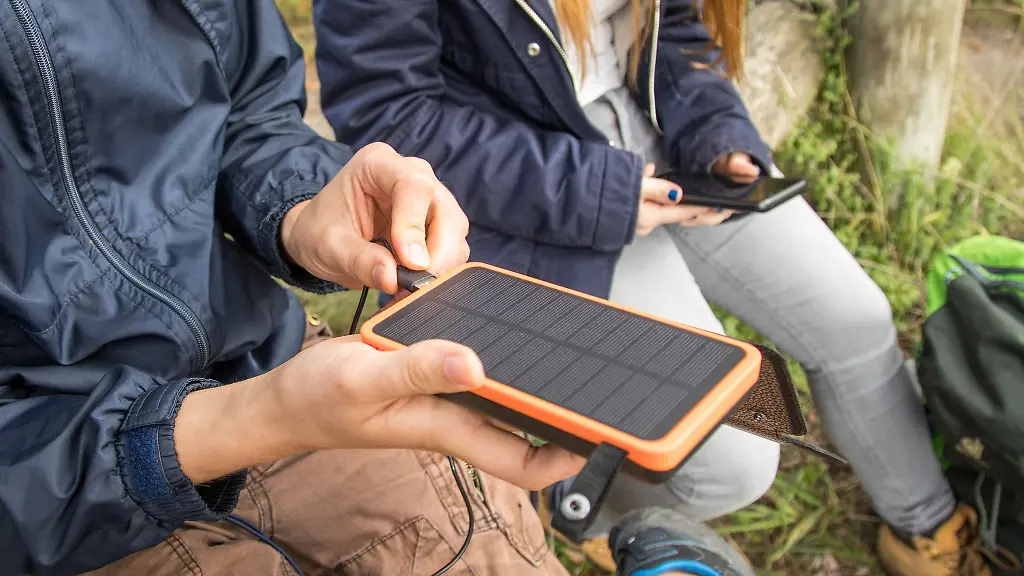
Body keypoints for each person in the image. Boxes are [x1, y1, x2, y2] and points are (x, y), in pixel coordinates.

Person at [313, 0, 994, 574]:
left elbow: (683, 38)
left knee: (857, 319)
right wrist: (601, 191)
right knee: (728, 461)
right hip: (526, 208)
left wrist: (720, 138)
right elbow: (388, 110)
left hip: (675, 165)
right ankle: (568, 498)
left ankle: (926, 525)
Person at [0, 1, 588, 574]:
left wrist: (302, 210)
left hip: (260, 359)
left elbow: (250, 112)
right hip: (52, 481)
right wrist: (253, 420)